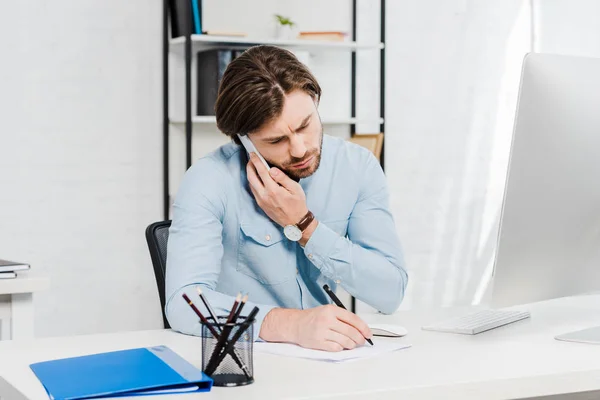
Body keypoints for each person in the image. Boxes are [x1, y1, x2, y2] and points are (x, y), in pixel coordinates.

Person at [165, 45, 408, 352]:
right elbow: (183, 302)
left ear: (315, 100)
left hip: (331, 361)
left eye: (305, 125)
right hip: (245, 362)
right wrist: (291, 325)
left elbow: (390, 292)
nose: (300, 149)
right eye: (276, 140)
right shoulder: (208, 180)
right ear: (244, 139)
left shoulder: (357, 167)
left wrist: (306, 226)